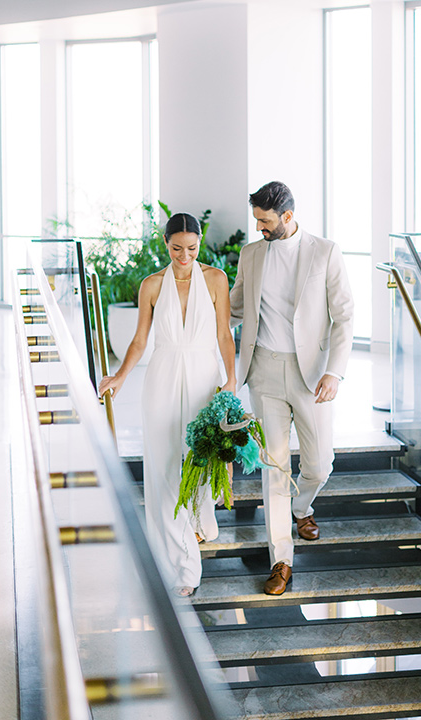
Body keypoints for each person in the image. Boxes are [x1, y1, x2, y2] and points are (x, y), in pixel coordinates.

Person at [99, 213, 236, 597]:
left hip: (203, 377)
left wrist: (231, 379)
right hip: (161, 377)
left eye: (192, 248)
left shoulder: (215, 280)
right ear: (165, 243)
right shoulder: (152, 285)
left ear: (200, 243)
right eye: (177, 248)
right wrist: (121, 375)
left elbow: (225, 334)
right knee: (161, 467)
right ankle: (182, 565)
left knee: (200, 459)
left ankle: (197, 518)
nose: (184, 255)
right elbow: (140, 340)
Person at [230, 181, 354, 595]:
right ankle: (281, 559)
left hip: (312, 374)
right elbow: (233, 307)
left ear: (287, 216)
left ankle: (303, 508)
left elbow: (345, 318)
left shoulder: (324, 251)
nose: (260, 229)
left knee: (320, 464)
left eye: (266, 222)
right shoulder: (251, 254)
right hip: (263, 370)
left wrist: (334, 372)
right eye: (257, 221)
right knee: (275, 468)